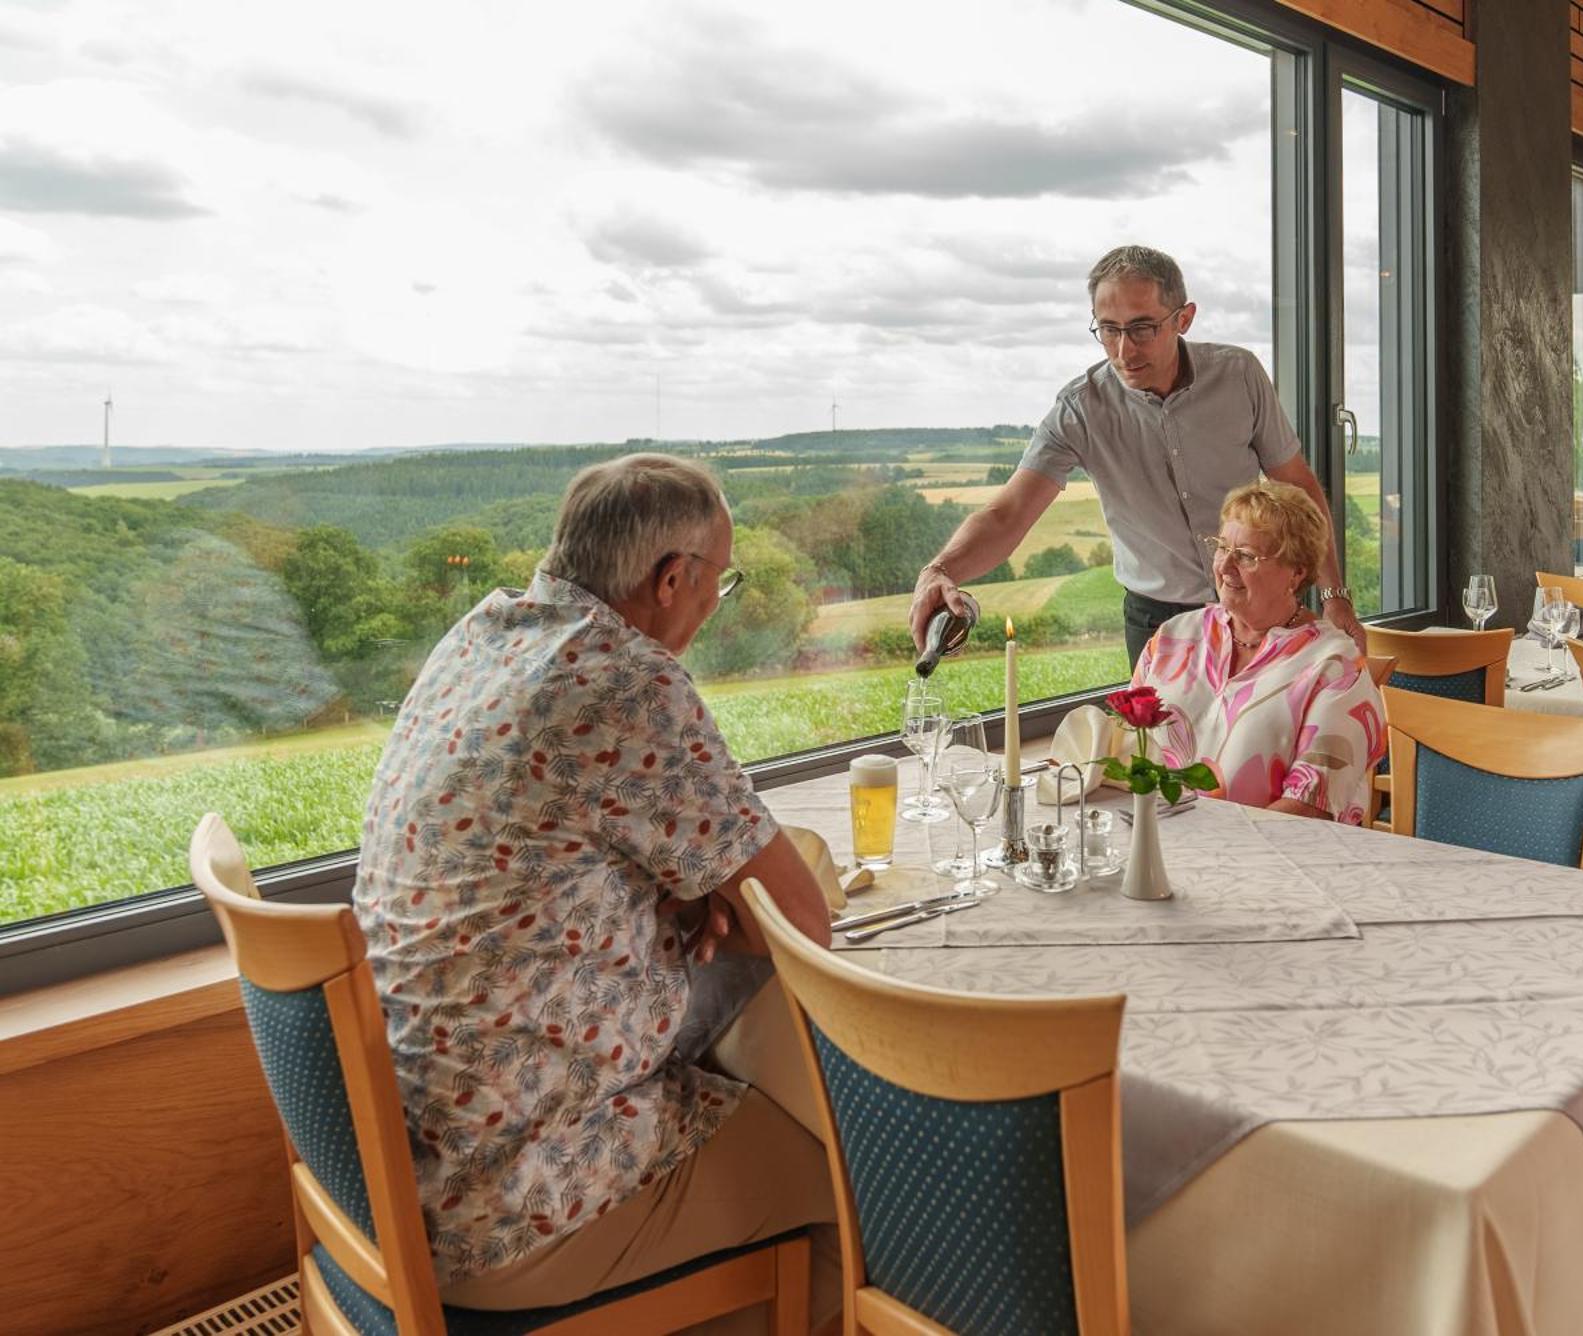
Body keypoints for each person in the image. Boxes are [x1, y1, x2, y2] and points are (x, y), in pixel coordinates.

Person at [353, 453, 836, 1309]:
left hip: (403, 1161)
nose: (711, 609)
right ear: (671, 577)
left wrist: (675, 888)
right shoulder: (625, 678)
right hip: (513, 1204)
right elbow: (800, 924)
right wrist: (712, 894)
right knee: (863, 1168)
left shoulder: (483, 633)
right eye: (715, 586)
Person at [909, 243, 1365, 667]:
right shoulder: (1079, 409)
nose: (1124, 350)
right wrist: (939, 569)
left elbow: (1296, 488)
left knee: (1282, 741)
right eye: (1108, 330)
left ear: (1183, 318)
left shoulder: (1238, 373)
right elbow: (1007, 514)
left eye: (1142, 328)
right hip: (1159, 622)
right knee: (1166, 753)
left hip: (1268, 601)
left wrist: (1334, 594)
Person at [1133, 480, 1385, 823]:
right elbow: (1125, 749)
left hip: (1272, 863)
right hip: (1158, 846)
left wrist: (1212, 848)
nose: (1224, 566)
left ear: (1296, 573)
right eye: (1222, 547)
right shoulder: (1173, 638)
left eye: (1247, 557)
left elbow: (1310, 809)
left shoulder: (1336, 668)